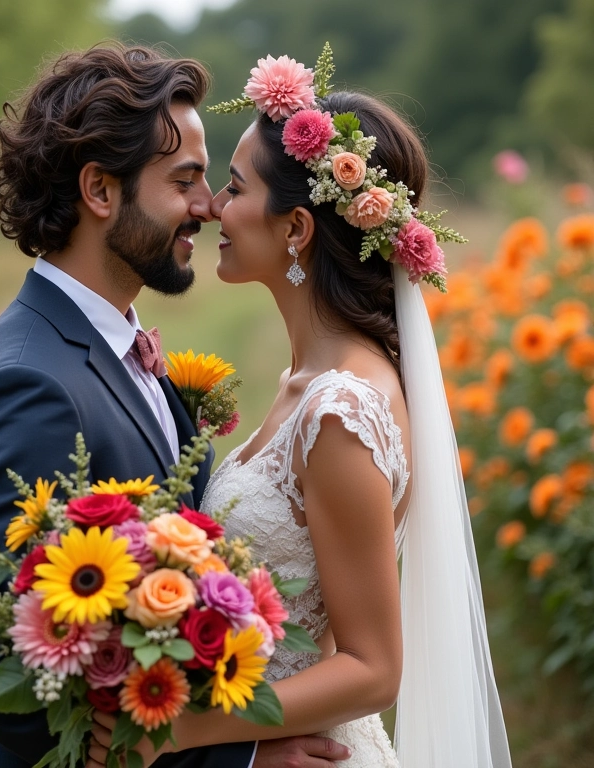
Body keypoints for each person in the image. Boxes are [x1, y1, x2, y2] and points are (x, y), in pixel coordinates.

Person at [87, 48, 513, 768]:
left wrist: (184, 731)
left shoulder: (341, 410)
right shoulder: (305, 381)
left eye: (234, 188)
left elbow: (375, 668)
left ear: (296, 229)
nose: (213, 208)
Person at [0, 43, 350, 768]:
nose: (207, 206)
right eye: (184, 181)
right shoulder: (26, 387)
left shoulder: (123, 356)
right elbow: (10, 689)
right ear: (100, 191)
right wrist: (238, 761)